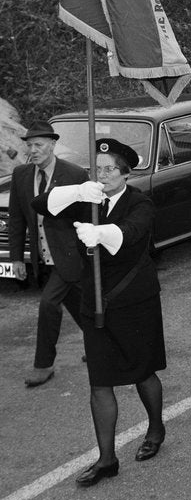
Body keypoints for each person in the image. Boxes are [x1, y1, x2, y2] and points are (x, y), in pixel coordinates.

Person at [38, 138, 164, 487]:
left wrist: (102, 232)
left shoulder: (141, 202)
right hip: (95, 302)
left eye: (110, 169)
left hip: (134, 301)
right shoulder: (88, 199)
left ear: (125, 172)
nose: (103, 174)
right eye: (97, 169)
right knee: (100, 380)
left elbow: (132, 232)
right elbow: (40, 204)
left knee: (142, 372)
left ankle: (155, 427)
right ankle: (107, 458)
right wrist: (78, 191)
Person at [9, 124, 89, 388]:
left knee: (48, 304)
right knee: (78, 303)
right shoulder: (21, 175)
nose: (33, 150)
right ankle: (104, 344)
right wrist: (17, 258)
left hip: (69, 255)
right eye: (29, 145)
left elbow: (88, 214)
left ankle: (44, 365)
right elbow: (17, 221)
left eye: (38, 145)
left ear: (53, 145)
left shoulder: (75, 174)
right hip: (43, 258)